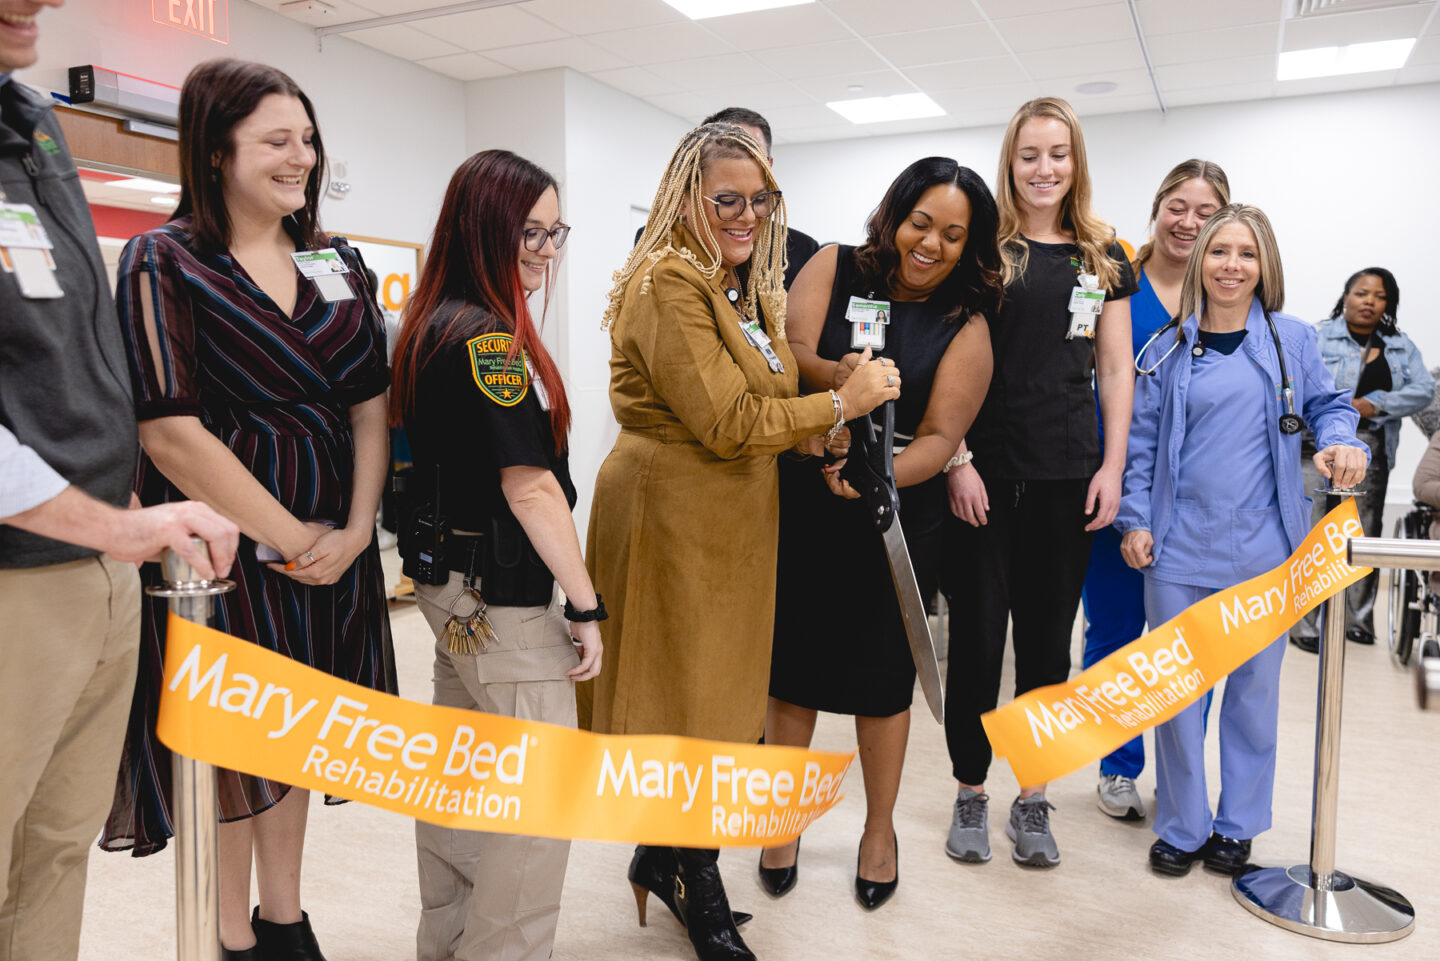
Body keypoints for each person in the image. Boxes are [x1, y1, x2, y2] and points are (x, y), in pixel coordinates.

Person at [100, 59, 398, 961]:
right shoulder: (165, 260)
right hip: (221, 547)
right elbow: (168, 432)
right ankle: (231, 933)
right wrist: (292, 536)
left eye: (306, 138)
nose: (300, 156)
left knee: (304, 732)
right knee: (234, 737)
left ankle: (285, 917)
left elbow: (370, 407)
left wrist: (353, 532)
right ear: (217, 148)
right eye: (276, 140)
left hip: (338, 542)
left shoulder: (333, 258)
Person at [584, 122, 899, 961]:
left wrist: (820, 438)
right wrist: (840, 406)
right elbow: (726, 419)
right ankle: (697, 879)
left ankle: (670, 856)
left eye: (762, 200)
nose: (748, 214)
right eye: (729, 198)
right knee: (685, 707)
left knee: (721, 709)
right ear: (687, 196)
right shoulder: (668, 285)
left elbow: (766, 398)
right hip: (672, 516)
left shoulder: (739, 283)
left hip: (735, 519)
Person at [0, 7, 239, 957]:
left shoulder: (30, 119)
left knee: (55, 846)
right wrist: (107, 525)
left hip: (94, 560)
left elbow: (60, 348)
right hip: (22, 570)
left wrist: (121, 509)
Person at [761, 157, 999, 909]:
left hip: (896, 515)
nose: (931, 244)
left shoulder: (968, 323)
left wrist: (879, 478)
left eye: (954, 235)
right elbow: (789, 354)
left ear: (972, 244)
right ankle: (782, 819)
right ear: (896, 214)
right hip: (803, 493)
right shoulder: (833, 265)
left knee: (880, 680)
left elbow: (938, 436)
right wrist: (847, 391)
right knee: (791, 670)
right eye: (921, 222)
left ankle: (879, 829)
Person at [390, 149, 602, 961]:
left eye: (555, 232)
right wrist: (585, 604)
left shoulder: (430, 321)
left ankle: (447, 940)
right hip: (502, 598)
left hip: (451, 592)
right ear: (485, 231)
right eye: (529, 233)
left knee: (459, 778)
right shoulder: (489, 343)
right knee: (539, 800)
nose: (546, 250)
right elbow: (533, 490)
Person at [1117, 204, 1367, 876]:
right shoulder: (1166, 348)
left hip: (1264, 544)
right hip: (1177, 544)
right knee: (1176, 694)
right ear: (1201, 260)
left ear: (1265, 266)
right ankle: (1182, 824)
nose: (1232, 265)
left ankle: (1237, 825)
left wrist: (1343, 441)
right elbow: (1139, 447)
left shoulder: (1292, 340)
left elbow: (1331, 407)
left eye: (1247, 254)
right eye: (1220, 251)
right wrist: (1134, 519)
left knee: (1254, 694)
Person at [942, 97, 1137, 868]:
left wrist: (1113, 465)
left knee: (1048, 649)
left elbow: (1115, 367)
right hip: (982, 476)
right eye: (1030, 154)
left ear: (1075, 161)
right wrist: (954, 458)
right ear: (1010, 160)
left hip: (1066, 475)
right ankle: (969, 788)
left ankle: (1033, 798)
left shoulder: (1103, 255)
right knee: (981, 642)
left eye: (1058, 153)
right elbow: (941, 361)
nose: (1044, 168)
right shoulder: (982, 251)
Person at [1079, 159, 1230, 821]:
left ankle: (1181, 769)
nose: (1189, 223)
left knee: (1188, 644)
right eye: (1178, 205)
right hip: (1114, 483)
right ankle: (1118, 764)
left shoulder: (1225, 296)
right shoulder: (1112, 281)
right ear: (1157, 206)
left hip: (1194, 499)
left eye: (1205, 211)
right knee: (1115, 629)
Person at [1289, 268, 1431, 652]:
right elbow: (1295, 384)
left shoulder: (1400, 346)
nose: (1369, 301)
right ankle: (1303, 624)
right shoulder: (1315, 335)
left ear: (1388, 303)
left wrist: (1375, 404)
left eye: (1379, 296)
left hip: (1372, 445)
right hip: (1312, 445)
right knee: (1309, 534)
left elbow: (1425, 389)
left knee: (1362, 533)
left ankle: (1358, 619)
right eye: (1361, 293)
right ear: (1346, 296)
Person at [634, 107, 820, 289]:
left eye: (752, 153)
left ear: (768, 165)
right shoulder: (664, 251)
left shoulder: (801, 249)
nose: (748, 217)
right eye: (728, 201)